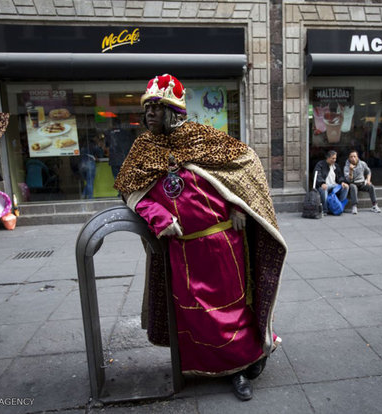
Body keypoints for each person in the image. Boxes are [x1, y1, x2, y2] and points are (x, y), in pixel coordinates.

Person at [114, 74, 286, 401]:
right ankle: (206, 366)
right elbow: (131, 190)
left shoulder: (203, 137)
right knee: (194, 314)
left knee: (230, 310)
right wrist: (157, 216)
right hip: (182, 250)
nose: (149, 114)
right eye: (147, 107)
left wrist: (242, 205)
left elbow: (243, 164)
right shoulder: (143, 149)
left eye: (157, 107)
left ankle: (239, 368)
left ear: (174, 111)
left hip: (224, 245)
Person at [343, 150, 381, 214]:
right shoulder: (346, 167)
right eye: (351, 157)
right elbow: (349, 180)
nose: (353, 158)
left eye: (354, 156)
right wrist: (351, 170)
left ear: (357, 157)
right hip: (353, 183)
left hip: (362, 183)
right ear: (349, 158)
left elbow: (368, 171)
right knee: (353, 187)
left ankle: (374, 205)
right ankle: (354, 206)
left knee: (371, 187)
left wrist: (368, 180)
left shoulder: (362, 164)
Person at [313, 150, 349, 215]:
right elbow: (317, 175)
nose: (334, 160)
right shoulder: (320, 164)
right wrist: (322, 183)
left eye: (335, 158)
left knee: (346, 187)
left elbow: (340, 176)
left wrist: (342, 182)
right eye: (333, 158)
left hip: (335, 186)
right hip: (325, 186)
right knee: (324, 189)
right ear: (328, 158)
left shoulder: (336, 166)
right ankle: (325, 210)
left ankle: (338, 207)